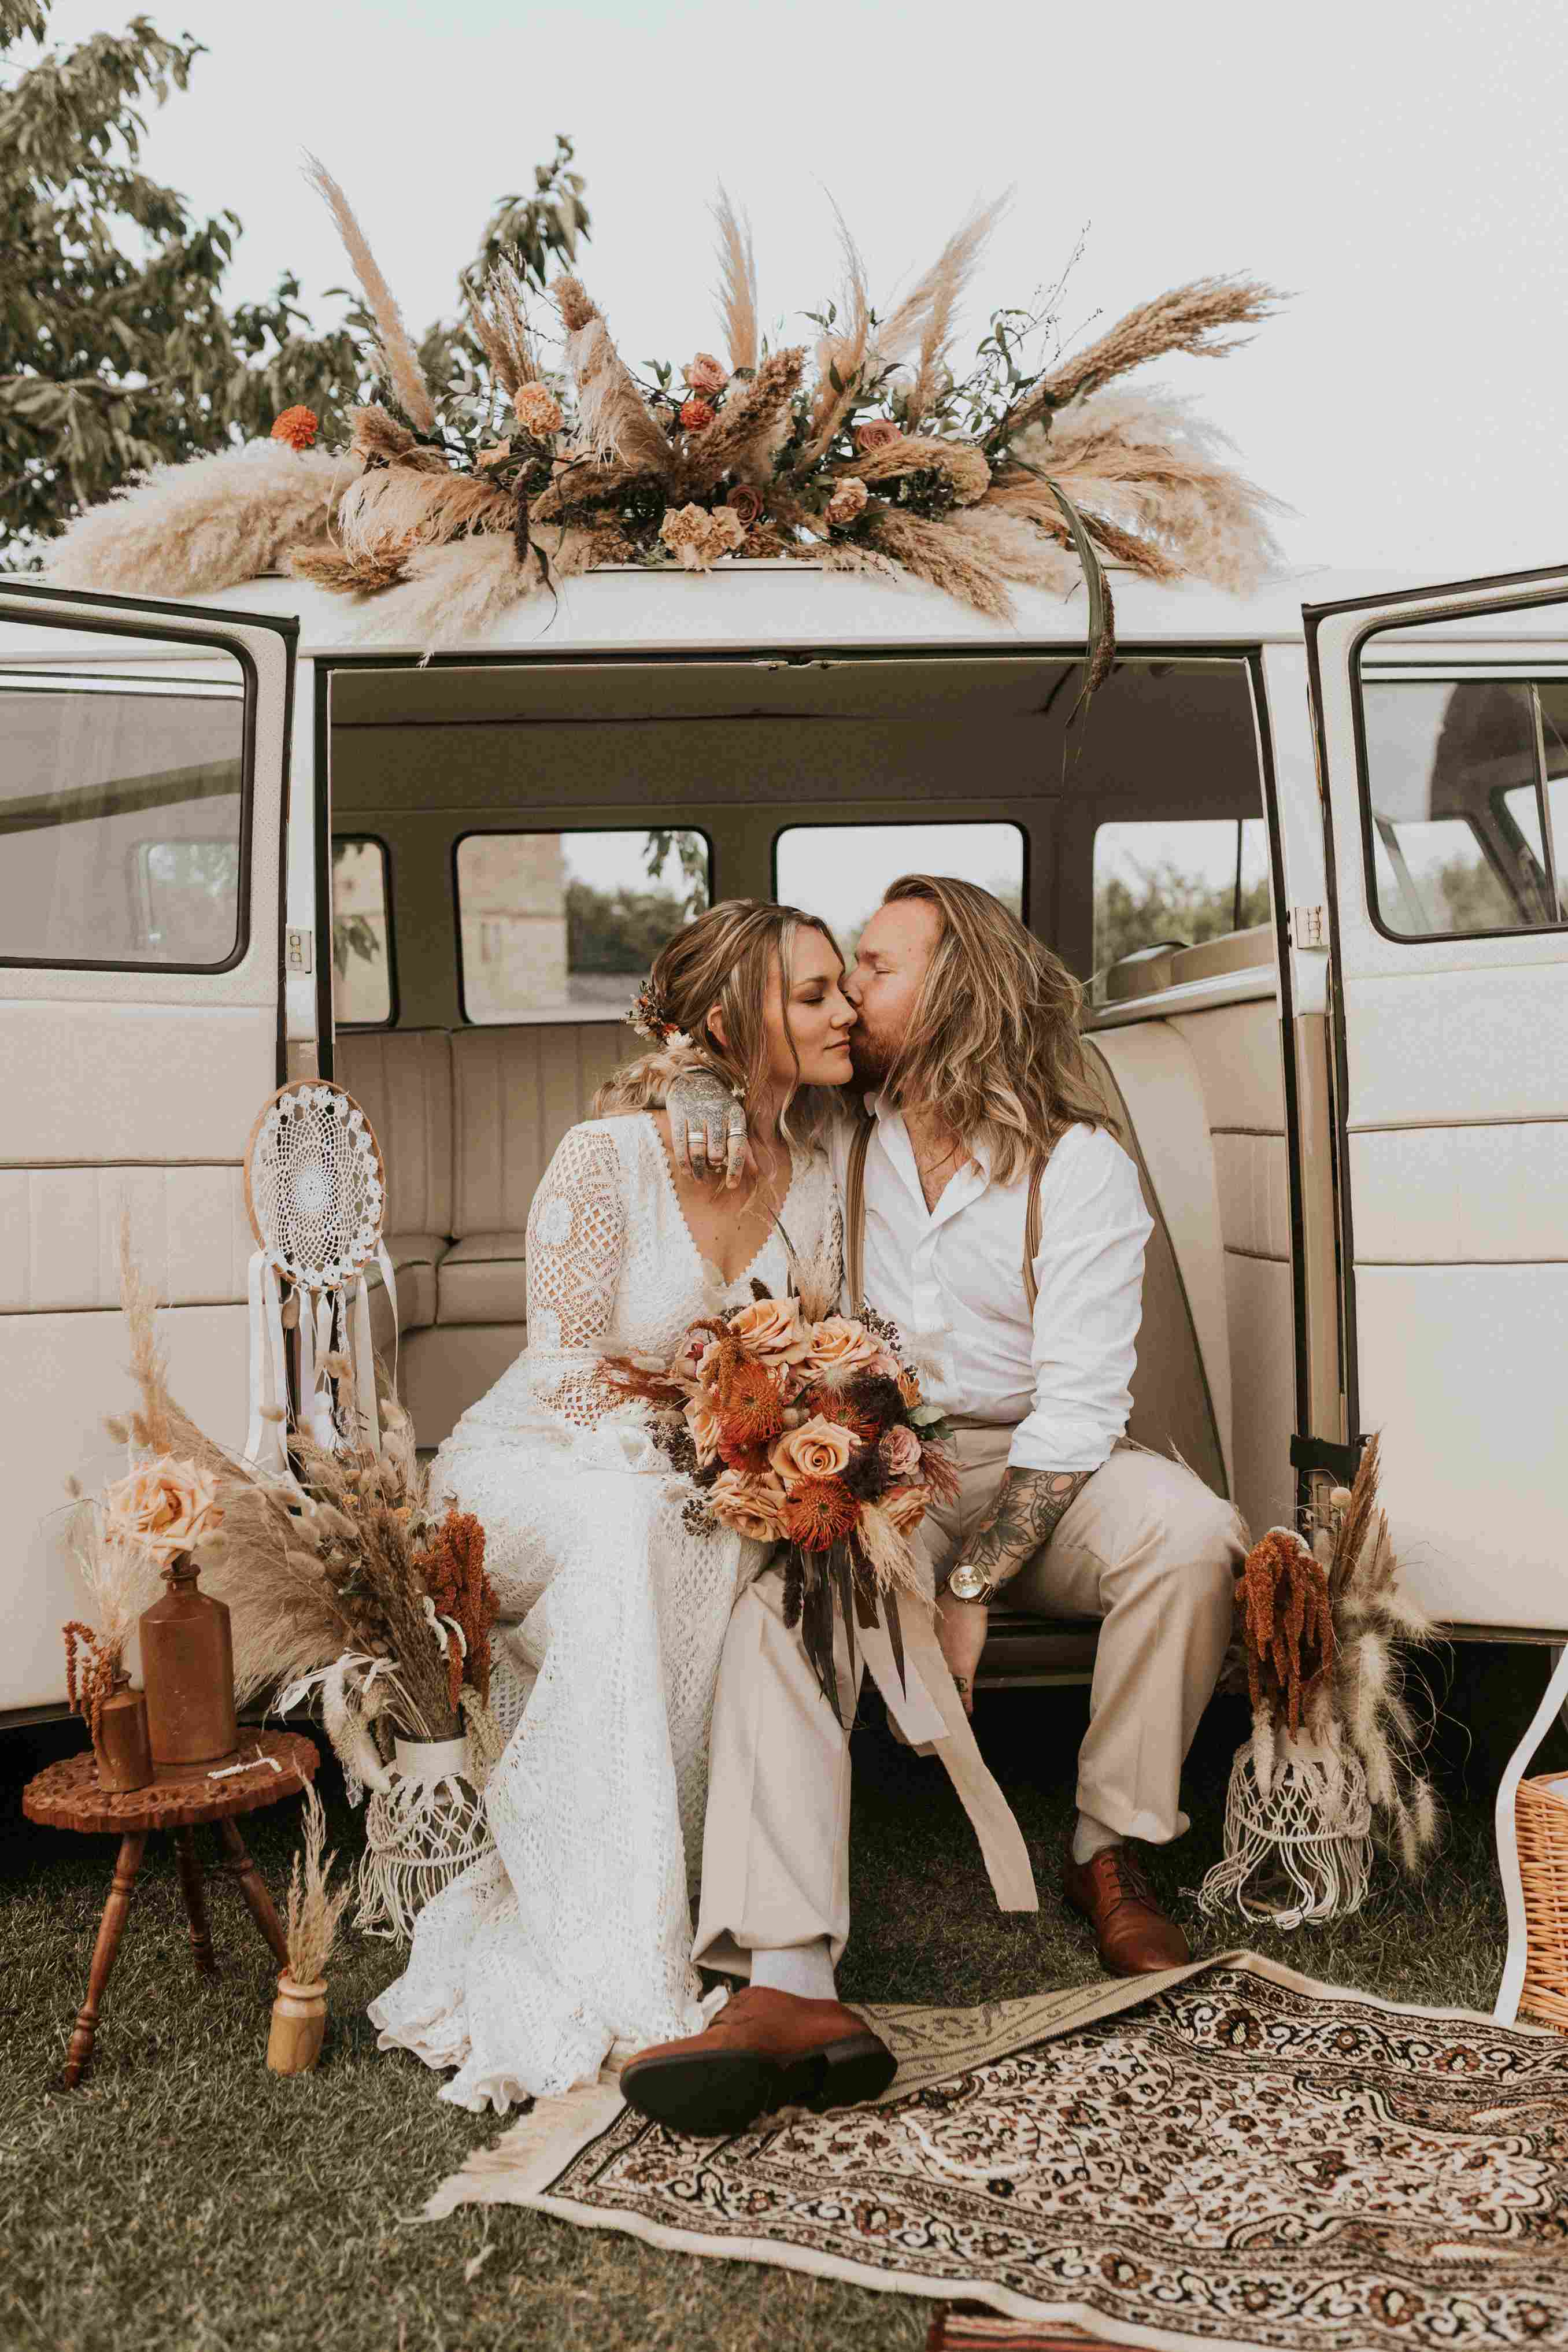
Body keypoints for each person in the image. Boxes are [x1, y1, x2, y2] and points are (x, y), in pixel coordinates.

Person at [619, 875, 1248, 2136]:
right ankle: (786, 1968)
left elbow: (1079, 1415)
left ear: (959, 990)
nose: (852, 994)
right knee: (789, 1595)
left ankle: (1109, 1845)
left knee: (1191, 1535)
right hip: (883, 1454)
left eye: (878, 969)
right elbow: (707, 1080)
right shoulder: (843, 1139)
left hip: (1047, 1466)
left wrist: (971, 1592)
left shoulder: (1081, 1171)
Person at [369, 900, 856, 2111]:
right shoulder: (609, 1158)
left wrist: (765, 1449)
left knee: (712, 1540)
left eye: (846, 988)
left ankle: (679, 1909)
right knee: (647, 1524)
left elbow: (824, 1358)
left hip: (694, 1479)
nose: (846, 1011)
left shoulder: (823, 1172)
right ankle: (622, 1958)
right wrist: (696, 1447)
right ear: (727, 1022)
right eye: (813, 995)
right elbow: (566, 1366)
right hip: (541, 1463)